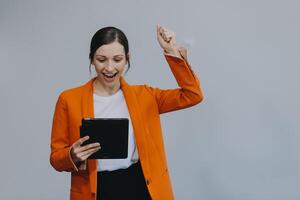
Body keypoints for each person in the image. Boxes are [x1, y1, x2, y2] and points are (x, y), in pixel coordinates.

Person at [50, 24, 203, 200]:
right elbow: (55, 157)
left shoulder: (145, 96)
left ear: (127, 59)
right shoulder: (68, 100)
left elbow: (192, 95)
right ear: (91, 59)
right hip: (95, 190)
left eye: (117, 59)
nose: (109, 68)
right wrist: (72, 155)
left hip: (140, 186)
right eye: (101, 59)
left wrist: (171, 51)